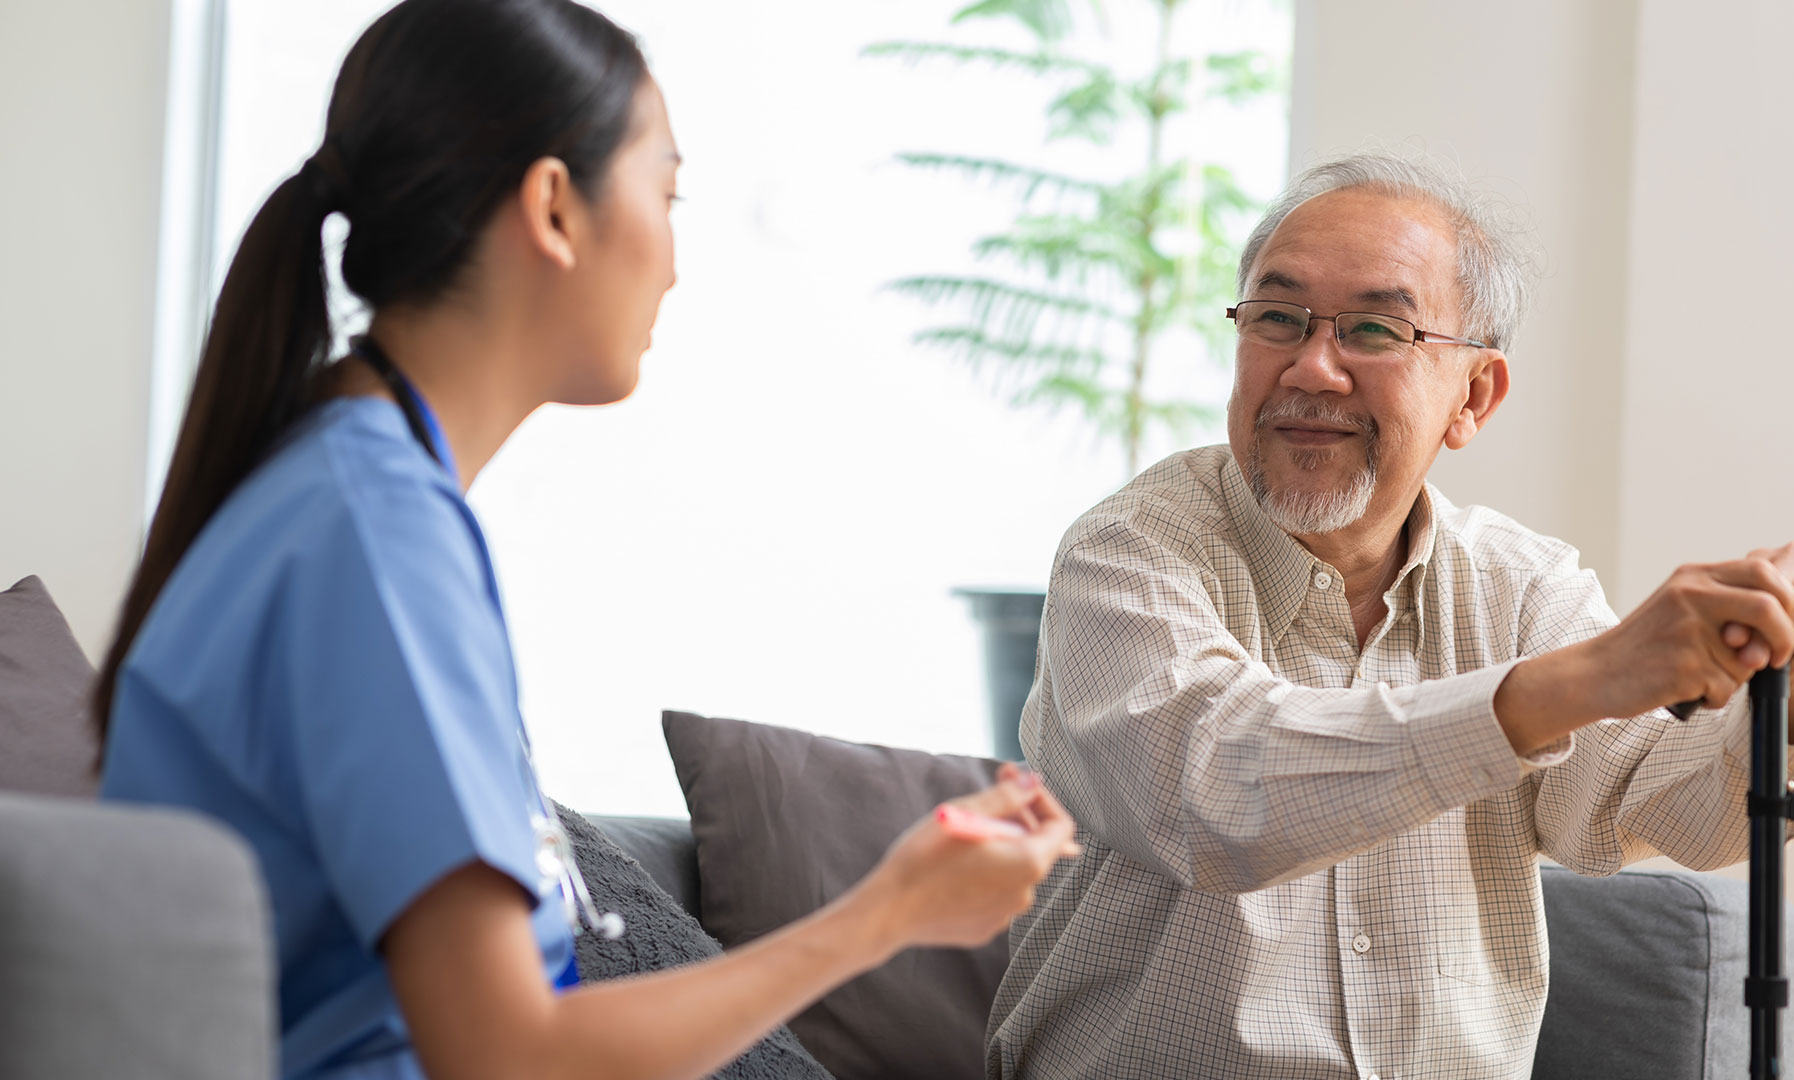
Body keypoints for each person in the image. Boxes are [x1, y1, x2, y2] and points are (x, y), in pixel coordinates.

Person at [94, 2, 1079, 1078]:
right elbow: (510, 1054)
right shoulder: (376, 538)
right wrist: (887, 914)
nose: (673, 264)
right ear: (556, 209)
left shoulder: (350, 489)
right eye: (666, 192)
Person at [986, 151, 1794, 1079]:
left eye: (1377, 329)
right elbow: (1218, 793)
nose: (1313, 367)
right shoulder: (1127, 552)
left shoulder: (1522, 585)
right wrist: (1577, 683)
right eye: (1278, 319)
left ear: (1474, 396)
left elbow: (1649, 810)